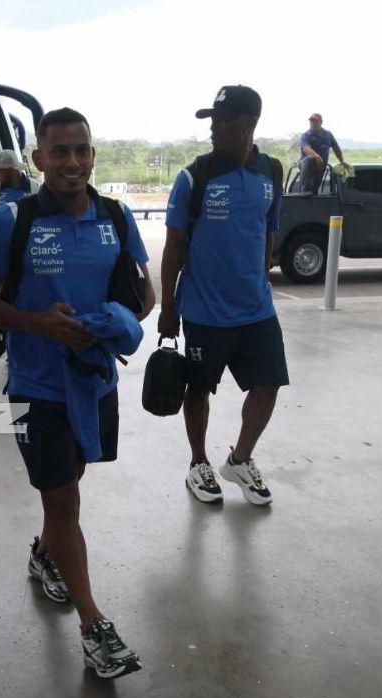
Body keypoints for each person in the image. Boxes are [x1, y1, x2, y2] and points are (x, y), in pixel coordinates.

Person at [0, 107, 156, 679]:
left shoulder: (117, 219)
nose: (72, 162)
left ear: (93, 155)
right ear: (39, 158)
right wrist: (36, 322)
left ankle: (44, 555)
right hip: (35, 388)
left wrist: (111, 322)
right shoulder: (13, 221)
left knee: (69, 485)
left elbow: (144, 297)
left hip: (95, 380)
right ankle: (94, 625)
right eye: (60, 152)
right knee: (63, 500)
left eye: (82, 151)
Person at [158, 85, 289, 506]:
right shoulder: (194, 177)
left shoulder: (271, 171)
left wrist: (260, 273)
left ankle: (240, 458)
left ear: (248, 124)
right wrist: (168, 308)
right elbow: (174, 246)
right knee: (198, 389)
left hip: (256, 309)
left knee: (268, 384)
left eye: (221, 122)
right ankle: (199, 462)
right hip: (203, 311)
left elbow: (268, 229)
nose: (213, 129)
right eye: (211, 121)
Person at [298, 113, 346, 195]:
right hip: (307, 165)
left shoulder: (328, 134)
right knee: (310, 159)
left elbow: (336, 148)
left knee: (315, 187)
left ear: (321, 122)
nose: (313, 123)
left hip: (321, 166)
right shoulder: (306, 135)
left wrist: (342, 161)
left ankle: (313, 199)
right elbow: (306, 149)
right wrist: (317, 157)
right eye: (311, 121)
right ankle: (305, 190)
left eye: (316, 121)